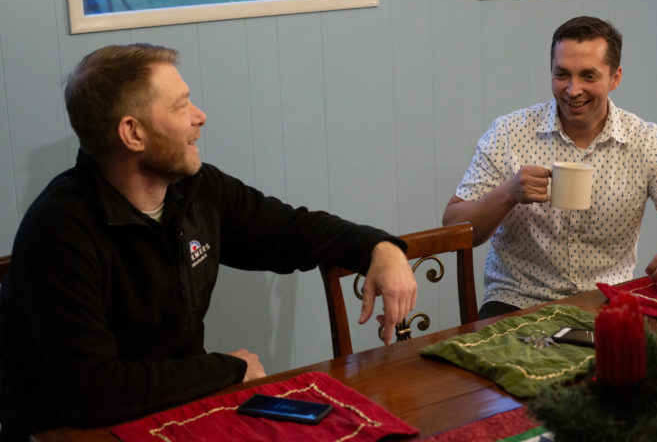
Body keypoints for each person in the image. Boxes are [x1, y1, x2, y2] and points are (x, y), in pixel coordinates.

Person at [0, 44, 418, 440]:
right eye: (181, 106)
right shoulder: (58, 231)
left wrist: (379, 248)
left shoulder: (196, 188)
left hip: (175, 412)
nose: (200, 116)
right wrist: (228, 369)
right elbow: (91, 392)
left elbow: (292, 231)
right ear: (133, 133)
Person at [443, 16, 657, 319]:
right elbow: (453, 227)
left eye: (589, 76)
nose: (573, 90)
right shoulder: (508, 134)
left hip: (608, 300)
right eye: (562, 74)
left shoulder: (644, 142)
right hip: (517, 302)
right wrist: (508, 193)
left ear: (615, 78)